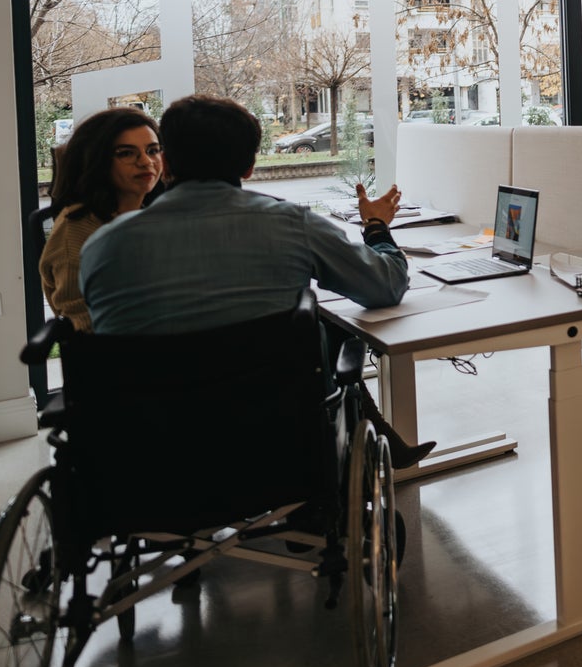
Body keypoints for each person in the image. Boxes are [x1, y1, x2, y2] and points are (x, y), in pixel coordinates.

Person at [79, 94, 433, 468]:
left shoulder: (103, 245)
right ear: (249, 166)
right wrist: (376, 226)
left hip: (148, 451)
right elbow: (387, 285)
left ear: (164, 162)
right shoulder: (290, 223)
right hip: (277, 445)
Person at [38, 107, 165, 333]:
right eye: (126, 153)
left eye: (153, 150)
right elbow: (82, 323)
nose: (146, 162)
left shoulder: (149, 214)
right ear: (96, 161)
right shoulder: (77, 227)